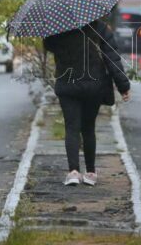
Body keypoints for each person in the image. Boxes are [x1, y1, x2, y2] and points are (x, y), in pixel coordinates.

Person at [44, 19, 131, 186]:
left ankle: (73, 172)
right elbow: (112, 57)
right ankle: (90, 173)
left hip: (67, 85)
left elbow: (49, 46)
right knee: (88, 127)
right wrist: (123, 86)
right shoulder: (98, 27)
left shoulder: (56, 29)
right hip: (94, 85)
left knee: (71, 127)